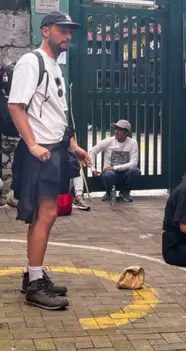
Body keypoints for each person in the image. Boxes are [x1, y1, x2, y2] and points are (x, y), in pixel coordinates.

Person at [7, 11, 91, 310]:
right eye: (61, 30)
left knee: (44, 215)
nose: (67, 35)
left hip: (54, 149)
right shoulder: (32, 62)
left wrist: (74, 146)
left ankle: (34, 275)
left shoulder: (54, 65)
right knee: (46, 214)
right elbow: (16, 106)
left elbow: (56, 113)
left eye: (70, 31)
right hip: (40, 152)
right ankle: (34, 286)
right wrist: (31, 144)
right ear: (46, 31)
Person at [89, 120, 141, 202]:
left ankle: (125, 192)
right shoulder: (109, 141)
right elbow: (92, 151)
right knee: (109, 175)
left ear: (126, 132)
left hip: (124, 174)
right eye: (116, 129)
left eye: (120, 130)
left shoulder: (133, 143)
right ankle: (109, 192)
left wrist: (114, 168)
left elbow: (134, 163)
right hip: (109, 174)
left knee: (135, 171)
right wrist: (93, 169)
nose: (116, 131)